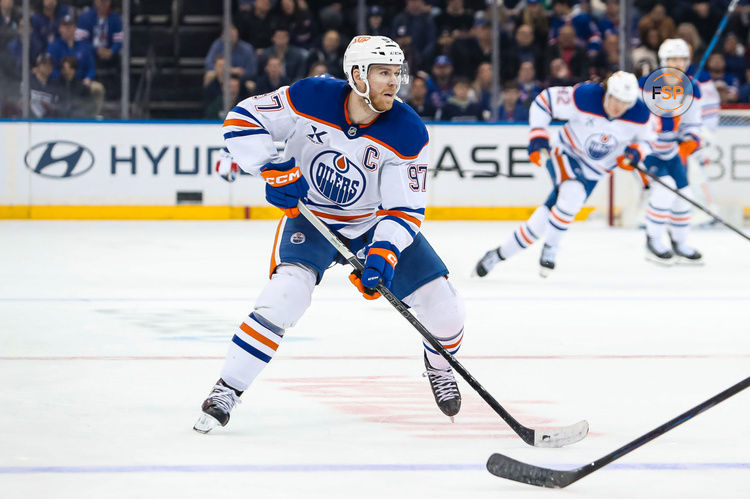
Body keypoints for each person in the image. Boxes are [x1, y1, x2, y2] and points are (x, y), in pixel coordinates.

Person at [194, 35, 466, 434]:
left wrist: (384, 253)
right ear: (357, 76)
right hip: (312, 218)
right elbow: (242, 119)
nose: (394, 82)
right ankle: (227, 389)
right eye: (383, 73)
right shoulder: (313, 96)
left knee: (446, 311)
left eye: (397, 73)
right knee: (283, 297)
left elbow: (404, 208)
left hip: (372, 222)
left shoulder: (408, 131)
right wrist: (271, 167)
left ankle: (439, 366)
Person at [474, 71, 656, 277]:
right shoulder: (585, 96)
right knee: (573, 193)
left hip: (595, 171)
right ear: (607, 91)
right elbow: (544, 101)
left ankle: (497, 255)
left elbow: (648, 141)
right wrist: (538, 137)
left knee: (542, 221)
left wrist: (635, 153)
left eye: (625, 102)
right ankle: (551, 250)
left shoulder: (640, 113)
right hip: (565, 152)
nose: (619, 106)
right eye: (615, 99)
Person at [637, 38, 705, 264]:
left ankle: (680, 242)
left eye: (682, 59)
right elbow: (639, 121)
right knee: (665, 191)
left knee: (685, 196)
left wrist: (689, 143)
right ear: (663, 61)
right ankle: (652, 241)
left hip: (672, 152)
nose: (678, 64)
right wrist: (665, 121)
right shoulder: (646, 85)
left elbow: (693, 125)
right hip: (647, 151)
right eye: (673, 59)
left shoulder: (692, 89)